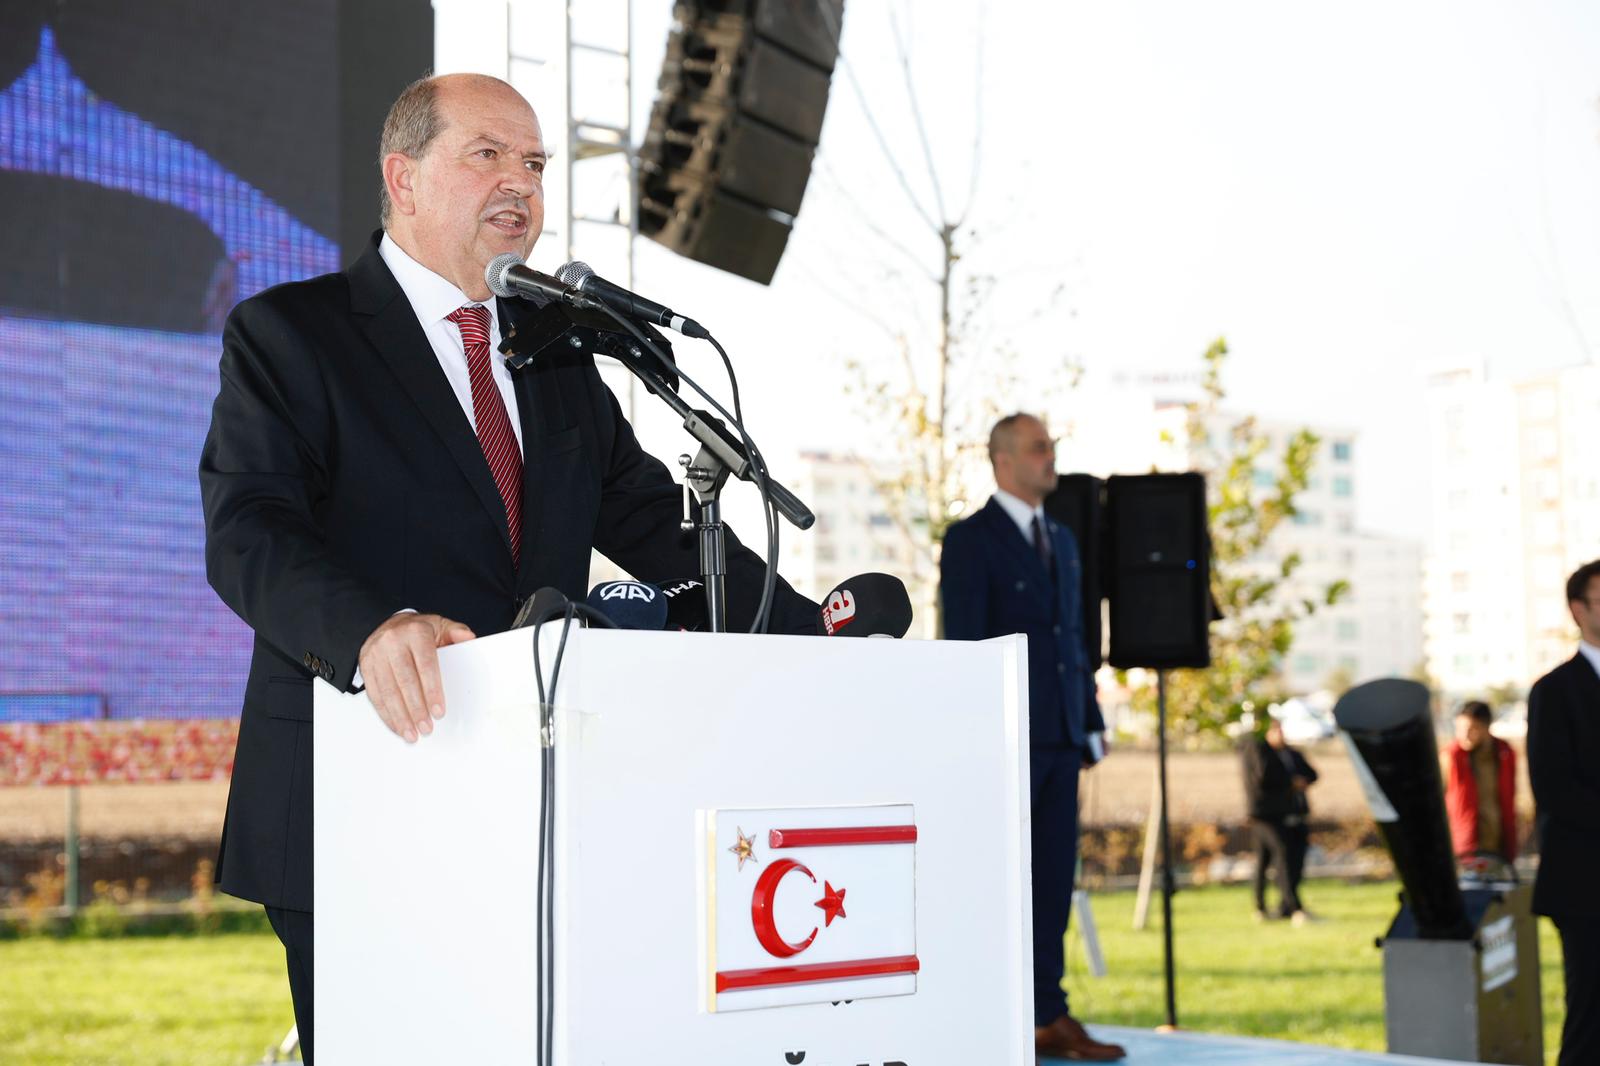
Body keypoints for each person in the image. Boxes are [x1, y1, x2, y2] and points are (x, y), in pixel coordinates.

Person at [198, 73, 816, 1062]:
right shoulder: (293, 334)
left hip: (533, 801)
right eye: (487, 154)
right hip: (363, 792)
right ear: (402, 177)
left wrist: (813, 636)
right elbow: (249, 531)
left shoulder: (557, 358)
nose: (520, 184)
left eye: (534, 163)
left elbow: (661, 529)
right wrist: (368, 629)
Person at [940, 413, 1124, 1062]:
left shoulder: (1064, 539)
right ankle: (996, 1016)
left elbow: (1073, 638)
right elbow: (966, 645)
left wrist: (1089, 724)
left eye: (1051, 447)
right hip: (1007, 740)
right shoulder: (971, 540)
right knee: (1001, 884)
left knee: (1052, 881)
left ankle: (1049, 1014)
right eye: (1039, 447)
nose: (1051, 457)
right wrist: (979, 735)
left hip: (1061, 739)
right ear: (1003, 460)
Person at [1528, 559, 1600, 1066]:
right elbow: (1555, 790)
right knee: (1591, 1020)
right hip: (1585, 883)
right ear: (1579, 610)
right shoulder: (1553, 692)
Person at [1241, 717, 1318, 924]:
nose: (1281, 734)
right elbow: (1263, 778)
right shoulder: (1258, 750)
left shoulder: (1291, 754)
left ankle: (1285, 906)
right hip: (1266, 817)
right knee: (1273, 859)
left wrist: (1301, 782)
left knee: (1292, 859)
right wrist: (1291, 783)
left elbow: (1312, 774)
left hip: (1293, 814)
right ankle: (1282, 907)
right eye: (1275, 730)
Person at [1442, 700, 1517, 866]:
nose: (1464, 735)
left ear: (1486, 727)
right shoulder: (1451, 757)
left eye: (1471, 729)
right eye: (1459, 729)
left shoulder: (1504, 754)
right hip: (1465, 848)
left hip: (1498, 844)